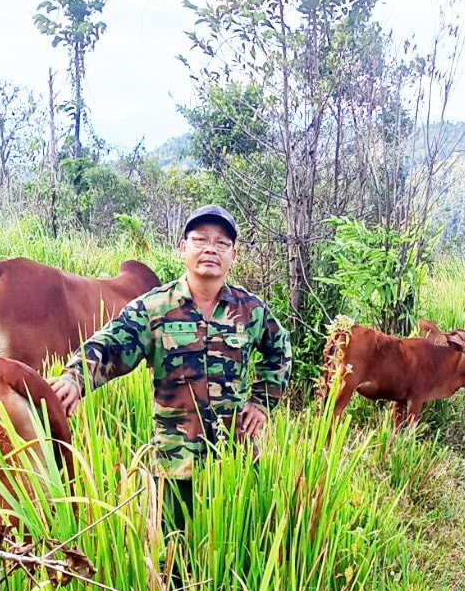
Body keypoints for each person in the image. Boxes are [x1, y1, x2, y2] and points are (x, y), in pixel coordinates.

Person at [50, 204, 292, 533]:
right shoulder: (155, 307)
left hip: (236, 459)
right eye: (201, 239)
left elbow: (279, 349)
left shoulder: (250, 310)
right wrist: (75, 379)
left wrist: (262, 402)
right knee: (174, 557)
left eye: (222, 244)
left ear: (233, 255)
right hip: (176, 461)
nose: (210, 249)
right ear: (182, 248)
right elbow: (110, 345)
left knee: (240, 546)